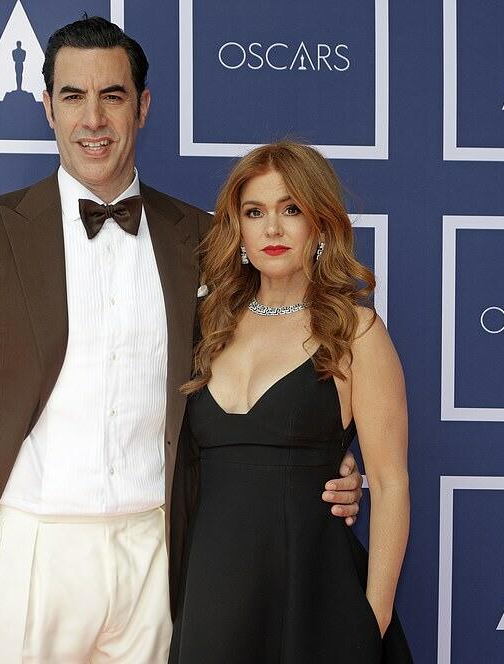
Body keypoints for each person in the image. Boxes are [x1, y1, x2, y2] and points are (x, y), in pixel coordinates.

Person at [0, 18, 364, 663]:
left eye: (112, 96)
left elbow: (264, 361)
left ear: (142, 107)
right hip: (27, 554)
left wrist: (324, 460)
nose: (93, 119)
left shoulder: (205, 238)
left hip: (159, 555)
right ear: (48, 107)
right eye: (73, 96)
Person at [169, 141, 412, 663]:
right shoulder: (205, 327)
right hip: (212, 596)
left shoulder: (356, 332)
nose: (273, 229)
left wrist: (372, 618)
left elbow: (391, 483)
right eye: (255, 212)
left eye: (291, 209)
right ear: (237, 227)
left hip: (316, 600)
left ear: (320, 224)